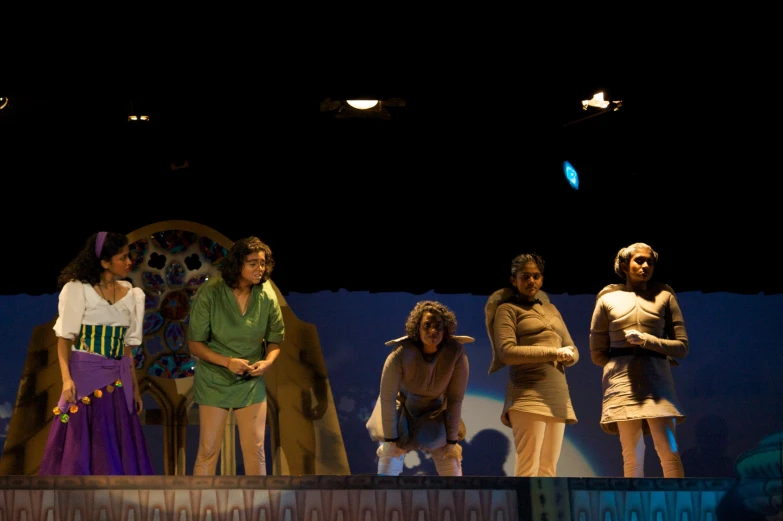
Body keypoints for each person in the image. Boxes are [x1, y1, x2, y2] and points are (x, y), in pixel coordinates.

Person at [38, 231, 154, 475]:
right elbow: (63, 340)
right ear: (104, 262)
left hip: (117, 379)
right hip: (84, 374)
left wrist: (134, 387)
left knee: (115, 444)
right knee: (82, 443)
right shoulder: (77, 290)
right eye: (122, 257)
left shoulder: (132, 294)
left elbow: (127, 349)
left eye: (128, 256)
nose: (129, 261)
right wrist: (67, 379)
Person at [589, 242, 688, 478]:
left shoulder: (665, 296)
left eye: (649, 262)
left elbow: (682, 347)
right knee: (632, 455)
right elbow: (597, 351)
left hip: (657, 380)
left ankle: (679, 510)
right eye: (639, 261)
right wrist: (620, 366)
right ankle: (633, 512)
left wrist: (647, 342)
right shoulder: (607, 299)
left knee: (669, 451)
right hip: (623, 383)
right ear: (624, 264)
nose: (645, 266)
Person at [187, 236, 285, 476]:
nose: (259, 269)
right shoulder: (212, 291)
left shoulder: (266, 293)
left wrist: (267, 363)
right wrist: (227, 362)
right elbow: (195, 344)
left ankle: (258, 509)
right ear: (237, 264)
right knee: (208, 449)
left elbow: (275, 340)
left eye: (262, 263)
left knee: (255, 450)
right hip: (214, 378)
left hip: (250, 382)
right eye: (252, 263)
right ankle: (200, 509)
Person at [484, 253, 579, 477]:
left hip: (557, 394)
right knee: (528, 467)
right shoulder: (507, 310)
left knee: (549, 468)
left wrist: (569, 356)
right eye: (525, 276)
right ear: (513, 280)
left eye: (536, 276)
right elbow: (507, 352)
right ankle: (525, 512)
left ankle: (545, 513)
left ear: (542, 279)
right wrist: (554, 352)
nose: (531, 281)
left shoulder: (552, 309)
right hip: (527, 395)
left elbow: (572, 349)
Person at [366, 300, 470, 476]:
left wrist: (451, 441)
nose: (433, 331)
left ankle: (455, 502)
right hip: (402, 409)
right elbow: (388, 397)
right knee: (388, 466)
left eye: (438, 326)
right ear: (417, 328)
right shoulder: (401, 353)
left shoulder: (455, 353)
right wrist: (390, 440)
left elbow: (455, 399)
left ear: (445, 330)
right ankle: (386, 500)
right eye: (427, 326)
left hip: (435, 410)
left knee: (451, 467)